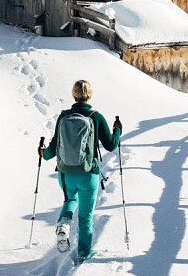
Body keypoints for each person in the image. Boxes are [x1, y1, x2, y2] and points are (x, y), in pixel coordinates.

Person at [39, 79, 122, 263]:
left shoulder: (63, 117)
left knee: (70, 200)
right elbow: (111, 145)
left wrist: (42, 152)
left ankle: (64, 226)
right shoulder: (96, 116)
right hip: (88, 174)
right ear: (89, 95)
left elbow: (52, 150)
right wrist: (117, 131)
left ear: (74, 95)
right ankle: (83, 256)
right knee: (85, 218)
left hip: (65, 174)